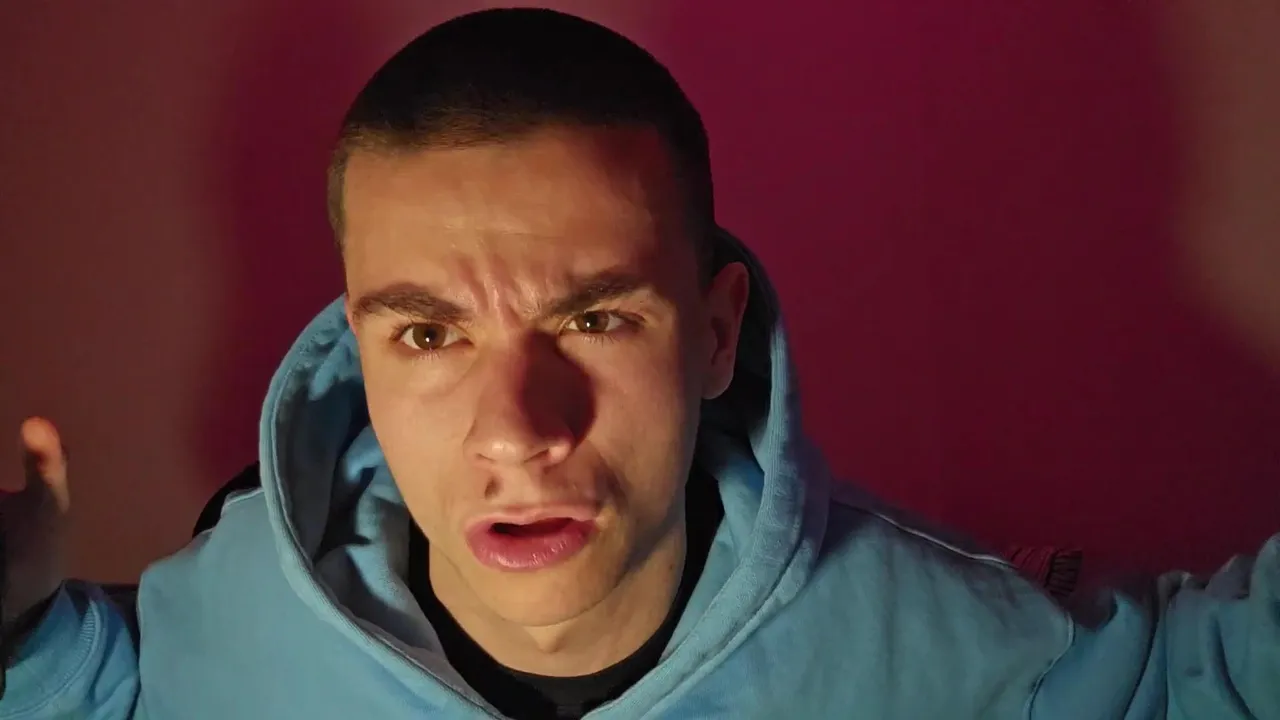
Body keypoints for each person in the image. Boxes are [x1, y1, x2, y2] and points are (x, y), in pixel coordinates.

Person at [1, 8, 1276, 719]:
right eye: (429, 334)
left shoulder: (950, 644)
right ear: (358, 347)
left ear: (714, 334)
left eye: (594, 320)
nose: (517, 429)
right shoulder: (222, 612)